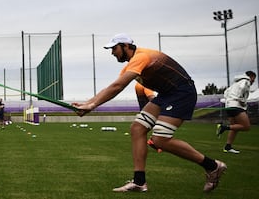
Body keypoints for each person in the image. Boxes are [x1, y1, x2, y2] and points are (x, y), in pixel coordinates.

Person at [72, 33, 227, 193]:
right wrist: (88, 104)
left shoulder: (141, 56)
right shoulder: (131, 64)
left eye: (114, 48)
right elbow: (112, 87)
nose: (112, 53)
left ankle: (213, 166)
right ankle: (139, 182)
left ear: (126, 46)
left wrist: (92, 106)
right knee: (137, 129)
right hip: (166, 95)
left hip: (182, 93)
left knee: (159, 139)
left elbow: (117, 87)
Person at [217, 71, 256, 154]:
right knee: (246, 126)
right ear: (251, 77)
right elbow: (242, 90)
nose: (254, 81)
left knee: (234, 127)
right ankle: (224, 127)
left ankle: (228, 147)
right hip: (236, 106)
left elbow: (226, 92)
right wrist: (241, 100)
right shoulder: (246, 81)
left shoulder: (235, 83)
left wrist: (228, 100)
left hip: (229, 106)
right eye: (254, 79)